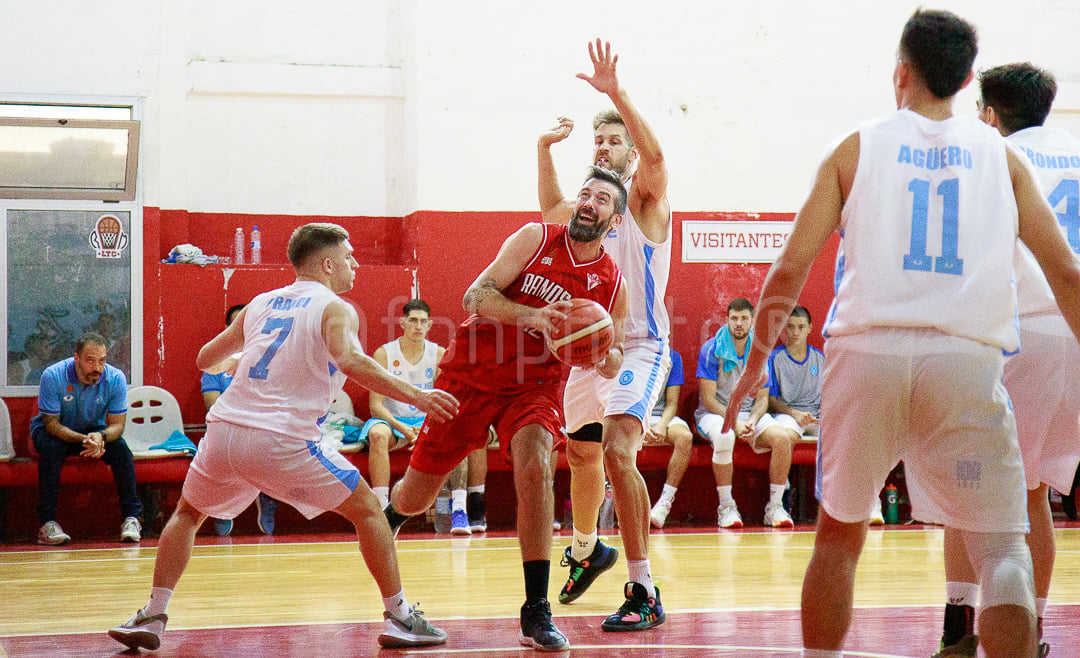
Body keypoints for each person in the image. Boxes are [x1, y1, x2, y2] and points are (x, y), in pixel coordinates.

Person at [722, 10, 1080, 657]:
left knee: (839, 536)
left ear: (900, 74)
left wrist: (754, 366)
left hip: (867, 355)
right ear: (967, 78)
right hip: (965, 360)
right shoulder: (1001, 158)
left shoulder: (856, 146)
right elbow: (1067, 277)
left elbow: (788, 270)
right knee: (1002, 546)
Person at [108, 223, 458, 652]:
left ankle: (153, 614)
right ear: (328, 264)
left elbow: (205, 359)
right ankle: (402, 617)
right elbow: (350, 360)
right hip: (280, 439)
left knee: (186, 515)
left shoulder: (260, 302)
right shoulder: (335, 307)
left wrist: (242, 357)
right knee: (370, 511)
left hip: (224, 432)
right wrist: (418, 395)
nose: (355, 263)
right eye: (349, 256)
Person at [383, 166, 629, 651]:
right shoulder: (535, 238)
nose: (589, 202)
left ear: (614, 220)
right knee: (417, 498)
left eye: (602, 199)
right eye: (585, 193)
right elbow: (474, 294)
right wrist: (533, 315)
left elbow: (613, 352)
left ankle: (536, 610)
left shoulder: (612, 283)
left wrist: (603, 354)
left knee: (538, 463)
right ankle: (388, 517)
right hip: (472, 374)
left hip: (533, 387)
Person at [925, 62, 1080, 658]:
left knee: (968, 483)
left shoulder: (993, 160)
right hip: (1072, 331)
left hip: (1019, 335)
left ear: (991, 114)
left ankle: (961, 629)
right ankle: (1030, 631)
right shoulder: (1072, 151)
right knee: (1035, 490)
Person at [538, 39, 672, 631]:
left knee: (619, 449)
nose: (605, 148)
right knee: (583, 454)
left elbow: (657, 155)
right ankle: (588, 548)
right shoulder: (589, 210)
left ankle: (644, 590)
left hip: (639, 346)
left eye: (615, 140)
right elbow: (548, 211)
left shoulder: (643, 201)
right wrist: (544, 149)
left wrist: (615, 93)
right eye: (599, 141)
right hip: (589, 352)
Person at [764, 307, 880, 524]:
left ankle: (871, 502)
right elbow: (770, 400)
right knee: (784, 437)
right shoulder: (774, 358)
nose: (796, 332)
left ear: (810, 328)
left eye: (800, 327)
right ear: (784, 329)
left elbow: (833, 394)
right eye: (791, 327)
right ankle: (777, 505)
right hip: (788, 415)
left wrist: (828, 414)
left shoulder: (820, 357)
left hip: (817, 417)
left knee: (855, 435)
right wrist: (794, 413)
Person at [695, 298, 801, 529]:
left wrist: (752, 421)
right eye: (734, 318)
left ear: (752, 321)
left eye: (744, 319)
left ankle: (775, 507)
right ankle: (726, 507)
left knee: (782, 438)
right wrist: (733, 422)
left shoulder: (761, 350)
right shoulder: (711, 349)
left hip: (748, 415)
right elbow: (709, 400)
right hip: (716, 415)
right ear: (727, 320)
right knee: (725, 436)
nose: (739, 324)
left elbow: (762, 399)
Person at [31, 332, 141, 545]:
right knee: (52, 449)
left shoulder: (115, 378)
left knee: (121, 449)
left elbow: (118, 425)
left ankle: (131, 518)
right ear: (77, 359)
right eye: (90, 360)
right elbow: (51, 425)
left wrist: (100, 437)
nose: (97, 367)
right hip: (56, 432)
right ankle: (47, 524)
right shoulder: (52, 376)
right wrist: (87, 440)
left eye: (102, 360)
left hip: (93, 432)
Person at [201, 303, 280, 537]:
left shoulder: (270, 362)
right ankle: (220, 508)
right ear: (228, 330)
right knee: (218, 451)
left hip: (261, 429)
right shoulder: (216, 363)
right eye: (236, 326)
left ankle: (267, 497)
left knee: (274, 445)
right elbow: (212, 405)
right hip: (227, 427)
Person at [645, 346, 693, 528]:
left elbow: (672, 403)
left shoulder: (673, 357)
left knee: (684, 437)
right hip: (633, 416)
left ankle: (664, 503)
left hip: (660, 417)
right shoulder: (629, 353)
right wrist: (639, 425)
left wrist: (661, 426)